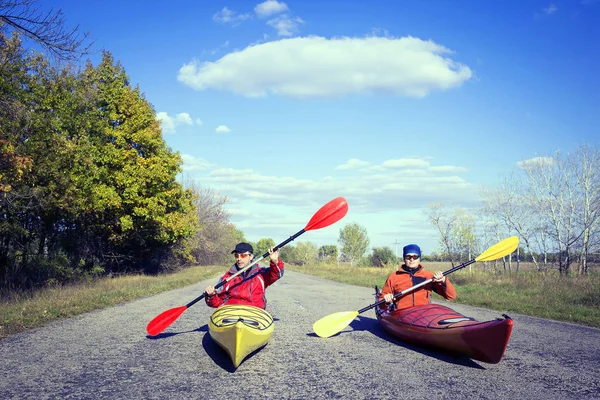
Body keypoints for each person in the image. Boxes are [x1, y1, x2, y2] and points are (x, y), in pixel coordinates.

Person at [205, 242, 284, 309]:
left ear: (251, 257)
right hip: (232, 314)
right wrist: (211, 295)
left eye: (243, 255)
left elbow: (278, 274)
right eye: (236, 255)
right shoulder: (227, 277)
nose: (239, 259)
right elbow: (216, 302)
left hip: (254, 313)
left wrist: (275, 261)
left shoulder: (261, 274)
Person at [378, 244, 456, 310]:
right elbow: (381, 304)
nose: (412, 259)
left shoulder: (428, 276)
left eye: (415, 257)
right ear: (404, 258)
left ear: (419, 258)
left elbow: (451, 296)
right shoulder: (394, 277)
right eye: (408, 257)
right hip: (402, 316)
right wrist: (386, 300)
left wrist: (443, 281)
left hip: (423, 315)